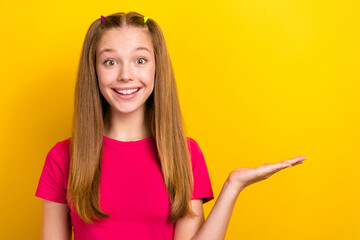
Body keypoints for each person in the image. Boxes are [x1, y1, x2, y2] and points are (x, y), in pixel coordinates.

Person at [35, 11, 306, 240]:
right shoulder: (62, 158)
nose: (126, 75)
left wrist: (233, 186)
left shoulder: (184, 154)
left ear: (156, 68)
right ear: (93, 70)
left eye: (140, 60)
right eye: (110, 62)